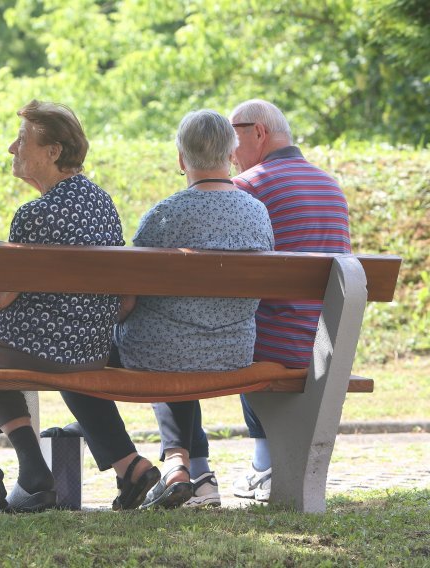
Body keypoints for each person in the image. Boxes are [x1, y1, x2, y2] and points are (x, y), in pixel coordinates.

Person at [0, 100, 130, 514]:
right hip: (89, 349)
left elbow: (1, 295)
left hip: (39, 349)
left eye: (21, 141)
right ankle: (32, 469)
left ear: (53, 152)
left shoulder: (34, 214)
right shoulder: (102, 203)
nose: (10, 149)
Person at [62, 109, 273, 511]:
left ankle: (130, 465)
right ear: (231, 154)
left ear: (181, 159)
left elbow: (126, 300)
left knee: (74, 358)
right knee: (176, 340)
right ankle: (180, 466)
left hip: (165, 352)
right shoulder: (256, 212)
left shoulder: (164, 215)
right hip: (233, 352)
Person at [227, 99, 351, 502]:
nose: (229, 154)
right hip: (326, 343)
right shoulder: (330, 186)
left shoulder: (249, 186)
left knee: (239, 327)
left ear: (258, 133)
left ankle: (264, 462)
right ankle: (266, 462)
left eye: (233, 139)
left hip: (270, 346)